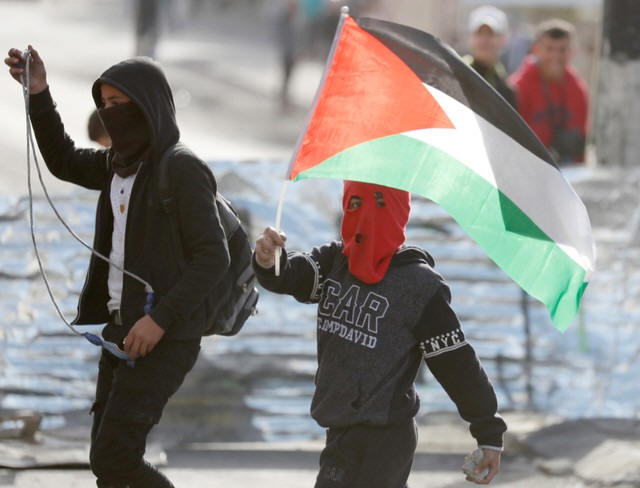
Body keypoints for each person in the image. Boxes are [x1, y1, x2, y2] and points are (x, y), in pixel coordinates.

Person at [5, 46, 230, 487]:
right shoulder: (117, 165)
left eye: (118, 104)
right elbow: (63, 159)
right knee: (106, 465)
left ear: (147, 106)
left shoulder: (181, 169)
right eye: (103, 104)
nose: (109, 114)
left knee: (115, 457)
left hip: (166, 337)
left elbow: (213, 257)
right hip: (120, 332)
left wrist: (159, 320)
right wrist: (38, 93)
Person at [253, 181, 507, 487]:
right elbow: (290, 275)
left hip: (388, 437)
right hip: (341, 431)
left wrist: (489, 432)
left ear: (399, 212)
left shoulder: (420, 286)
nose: (366, 215)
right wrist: (269, 260)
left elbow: (456, 363)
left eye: (380, 202)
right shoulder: (335, 262)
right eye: (355, 204)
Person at [508, 19, 589, 164]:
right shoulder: (518, 87)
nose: (555, 56)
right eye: (549, 49)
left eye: (562, 50)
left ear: (572, 52)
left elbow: (582, 139)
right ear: (536, 49)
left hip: (568, 169)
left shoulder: (578, 89)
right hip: (528, 167)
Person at [464, 5, 516, 108]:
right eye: (479, 34)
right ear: (471, 38)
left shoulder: (506, 88)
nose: (484, 40)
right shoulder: (456, 74)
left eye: (491, 34)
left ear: (503, 39)